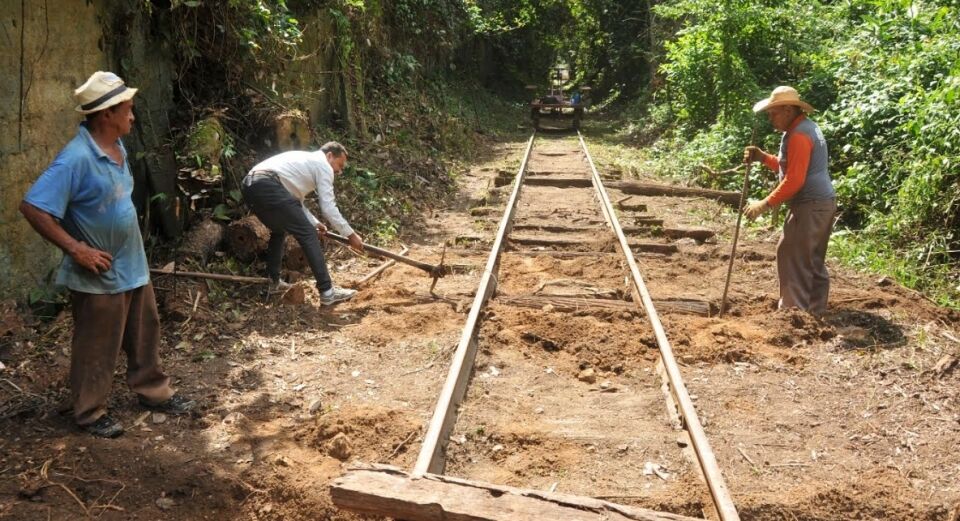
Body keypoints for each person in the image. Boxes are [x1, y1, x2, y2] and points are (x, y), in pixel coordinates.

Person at [20, 71, 194, 438]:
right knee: (97, 343)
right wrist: (76, 248)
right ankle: (89, 411)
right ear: (105, 115)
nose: (132, 116)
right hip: (100, 271)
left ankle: (153, 390)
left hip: (132, 262)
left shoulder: (117, 147)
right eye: (127, 110)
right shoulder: (75, 159)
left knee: (145, 331)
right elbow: (33, 207)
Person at [743, 86, 837, 314]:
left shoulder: (800, 135)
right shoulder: (802, 129)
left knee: (792, 255)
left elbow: (794, 180)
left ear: (788, 110)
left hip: (811, 205)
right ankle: (814, 309)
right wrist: (763, 158)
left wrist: (764, 204)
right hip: (821, 204)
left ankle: (793, 312)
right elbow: (790, 166)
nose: (770, 118)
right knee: (809, 257)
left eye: (773, 113)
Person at [241, 143, 362, 305]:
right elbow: (328, 207)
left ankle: (273, 282)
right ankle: (327, 292)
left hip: (250, 186)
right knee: (308, 235)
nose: (339, 171)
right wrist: (350, 234)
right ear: (329, 156)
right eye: (339, 165)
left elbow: (295, 202)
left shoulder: (304, 162)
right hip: (268, 185)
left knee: (279, 230)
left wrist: (315, 223)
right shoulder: (322, 165)